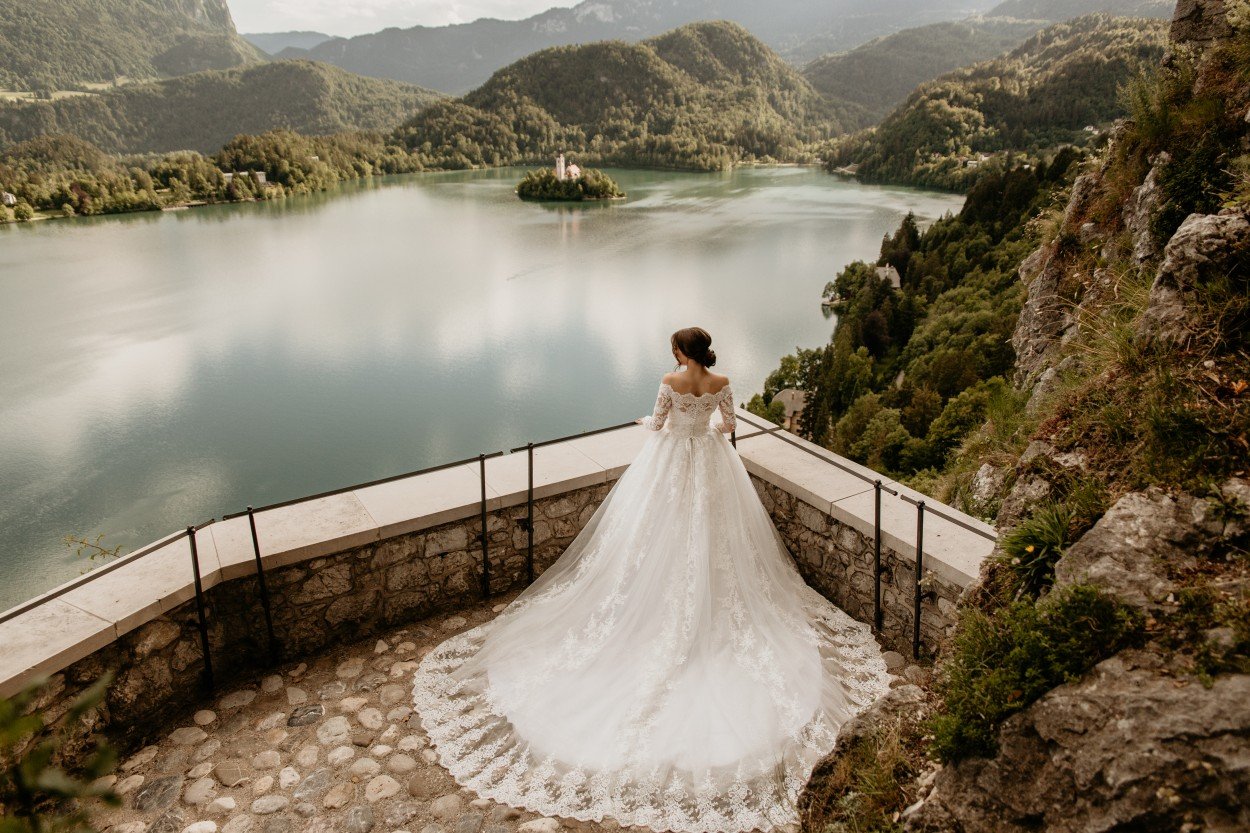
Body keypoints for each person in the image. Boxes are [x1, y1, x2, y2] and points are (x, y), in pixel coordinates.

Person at [412, 327, 891, 833]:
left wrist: (660, 422)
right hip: (711, 466)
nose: (673, 356)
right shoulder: (723, 380)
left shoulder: (668, 379)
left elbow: (658, 423)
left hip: (670, 467)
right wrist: (703, 428)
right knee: (717, 545)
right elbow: (729, 426)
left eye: (675, 350)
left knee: (652, 544)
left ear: (680, 353)